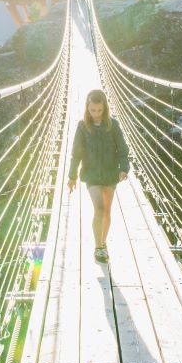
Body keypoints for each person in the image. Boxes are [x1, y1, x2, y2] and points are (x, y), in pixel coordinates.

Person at [67, 88, 130, 263]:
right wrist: (72, 176)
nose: (96, 114)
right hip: (91, 175)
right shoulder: (82, 126)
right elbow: (76, 154)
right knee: (99, 209)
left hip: (110, 174)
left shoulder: (113, 125)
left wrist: (124, 168)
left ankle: (103, 242)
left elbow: (123, 150)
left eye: (100, 110)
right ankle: (98, 247)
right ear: (87, 108)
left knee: (107, 212)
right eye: (93, 110)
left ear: (105, 108)